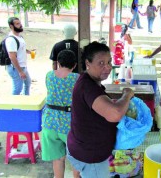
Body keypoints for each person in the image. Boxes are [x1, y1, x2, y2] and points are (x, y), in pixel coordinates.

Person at [66, 42, 134, 178]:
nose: (108, 67)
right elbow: (115, 114)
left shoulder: (90, 82)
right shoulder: (88, 86)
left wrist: (111, 103)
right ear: (88, 63)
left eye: (109, 62)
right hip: (91, 156)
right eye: (101, 63)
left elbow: (95, 107)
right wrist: (127, 94)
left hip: (80, 146)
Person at [41, 50, 80, 178]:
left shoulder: (49, 75)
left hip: (50, 122)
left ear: (58, 62)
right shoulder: (77, 78)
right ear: (74, 65)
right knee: (75, 157)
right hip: (68, 124)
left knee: (57, 159)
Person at [5, 17, 34, 95]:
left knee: (27, 82)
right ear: (11, 26)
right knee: (18, 89)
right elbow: (12, 56)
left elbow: (20, 49)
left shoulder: (19, 37)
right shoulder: (11, 39)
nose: (20, 25)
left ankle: (26, 100)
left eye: (20, 23)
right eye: (17, 24)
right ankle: (12, 105)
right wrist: (20, 71)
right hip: (16, 68)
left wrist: (29, 52)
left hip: (22, 66)